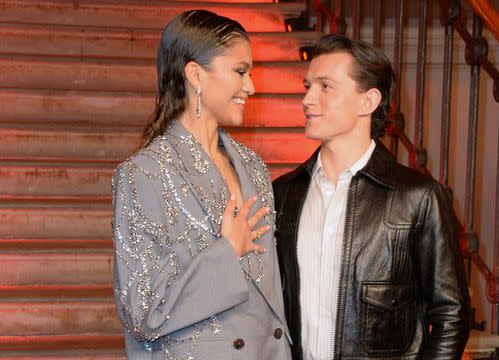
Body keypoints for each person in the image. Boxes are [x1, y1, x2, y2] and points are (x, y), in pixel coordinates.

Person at [273, 34, 470, 360]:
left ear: (368, 101)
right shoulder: (283, 193)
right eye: (307, 86)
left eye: (325, 86)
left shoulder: (417, 197)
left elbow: (451, 315)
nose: (307, 99)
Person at [112, 10, 292, 360]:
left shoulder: (253, 166)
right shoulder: (144, 173)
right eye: (240, 71)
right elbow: (141, 310)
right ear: (195, 75)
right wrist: (226, 252)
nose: (251, 86)